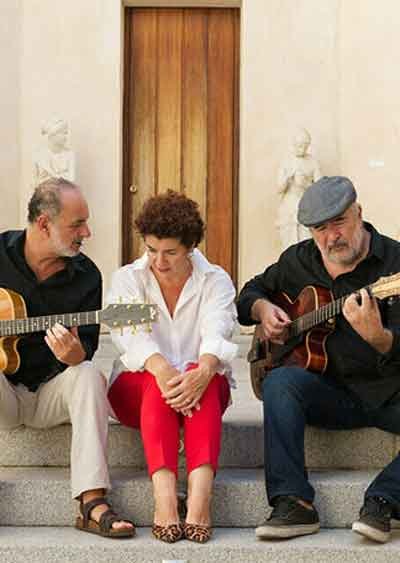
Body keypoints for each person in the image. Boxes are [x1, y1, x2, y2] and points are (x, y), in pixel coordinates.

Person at [237, 176, 400, 544]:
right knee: (280, 381)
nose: (331, 237)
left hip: (388, 392)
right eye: (319, 229)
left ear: (359, 213)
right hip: (327, 393)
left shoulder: (393, 264)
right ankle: (293, 503)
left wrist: (382, 338)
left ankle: (384, 501)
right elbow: (249, 294)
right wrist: (264, 310)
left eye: (339, 222)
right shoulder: (299, 260)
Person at [0, 177, 134, 538]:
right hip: (4, 397)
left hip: (49, 396)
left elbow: (85, 348)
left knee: (89, 373)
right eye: (77, 223)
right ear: (44, 223)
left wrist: (76, 357)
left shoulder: (86, 276)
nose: (87, 232)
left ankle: (92, 502)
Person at [107, 190, 237, 543]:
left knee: (204, 375)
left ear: (191, 246)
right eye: (151, 250)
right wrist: (164, 370)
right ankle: (165, 501)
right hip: (138, 393)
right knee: (156, 378)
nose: (158, 261)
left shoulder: (216, 280)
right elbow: (129, 336)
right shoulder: (126, 279)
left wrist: (204, 370)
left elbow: (219, 329)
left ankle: (199, 500)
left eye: (170, 252)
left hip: (202, 391)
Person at [277, 128, 321, 250]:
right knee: (288, 243)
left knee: (306, 242)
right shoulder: (286, 162)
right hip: (289, 206)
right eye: (298, 145)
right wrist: (287, 178)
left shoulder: (313, 162)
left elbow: (320, 189)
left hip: (306, 206)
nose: (300, 149)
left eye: (304, 146)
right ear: (293, 144)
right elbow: (279, 189)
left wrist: (305, 184)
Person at [33, 118, 75, 186]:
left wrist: (52, 176)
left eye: (66, 133)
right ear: (53, 135)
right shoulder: (39, 155)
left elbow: (71, 179)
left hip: (65, 194)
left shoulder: (69, 154)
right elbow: (34, 183)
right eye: (63, 133)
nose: (66, 137)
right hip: (44, 194)